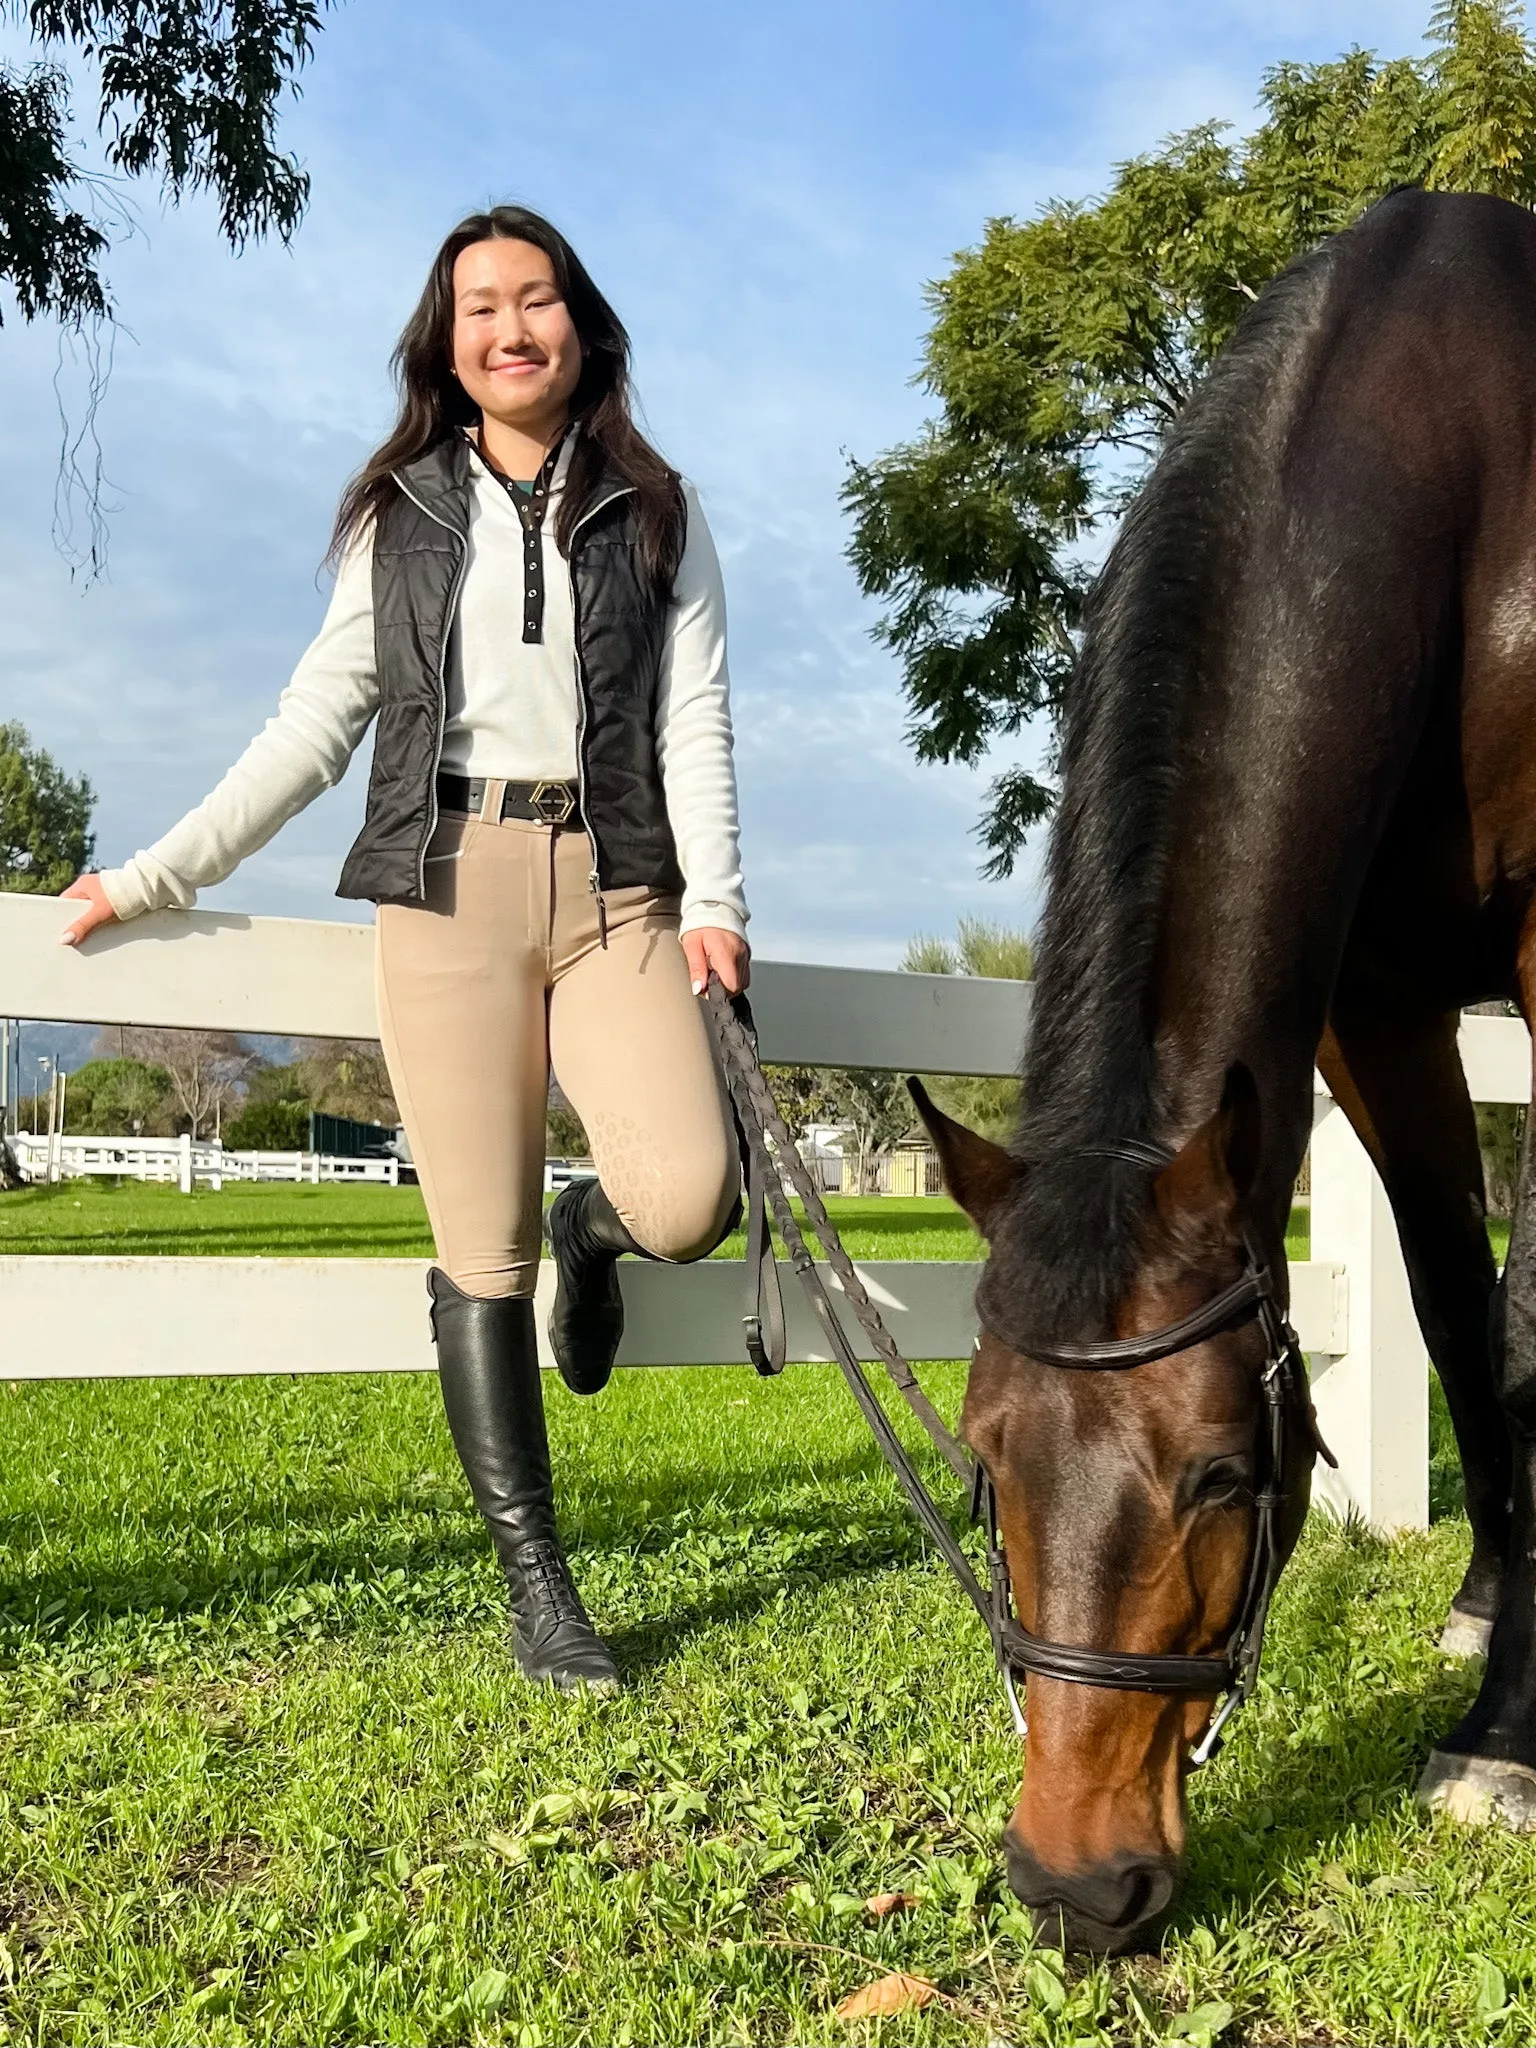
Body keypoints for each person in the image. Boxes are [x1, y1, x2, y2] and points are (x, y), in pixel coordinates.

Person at [60, 205, 750, 1695]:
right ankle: (542, 1589)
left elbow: (696, 719)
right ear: (446, 345)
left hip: (620, 883)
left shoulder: (658, 507)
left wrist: (720, 905)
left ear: (583, 322)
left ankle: (599, 1235)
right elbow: (314, 727)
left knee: (692, 1200)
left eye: (538, 298)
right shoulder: (401, 513)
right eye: (479, 308)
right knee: (476, 1252)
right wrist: (155, 871)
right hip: (446, 884)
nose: (512, 327)